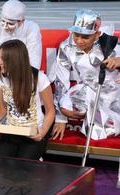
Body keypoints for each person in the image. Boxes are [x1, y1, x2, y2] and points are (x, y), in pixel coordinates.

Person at [0, 39, 55, 160]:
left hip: (34, 131)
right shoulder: (0, 78)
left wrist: (42, 131)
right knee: (1, 165)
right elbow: (1, 110)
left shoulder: (39, 78)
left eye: (3, 59)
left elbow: (50, 111)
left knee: (23, 167)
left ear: (15, 60)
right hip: (12, 130)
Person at [51, 9, 120, 141]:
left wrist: (118, 61)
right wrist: (61, 118)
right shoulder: (66, 46)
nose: (79, 41)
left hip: (113, 94)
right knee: (65, 106)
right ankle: (92, 115)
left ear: (97, 34)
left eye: (85, 37)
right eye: (76, 35)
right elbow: (61, 80)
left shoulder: (110, 43)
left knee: (96, 134)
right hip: (88, 89)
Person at [0, 0, 42, 117]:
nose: (5, 27)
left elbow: (33, 64)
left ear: (22, 21)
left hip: (23, 81)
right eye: (3, 22)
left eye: (10, 23)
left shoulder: (32, 29)